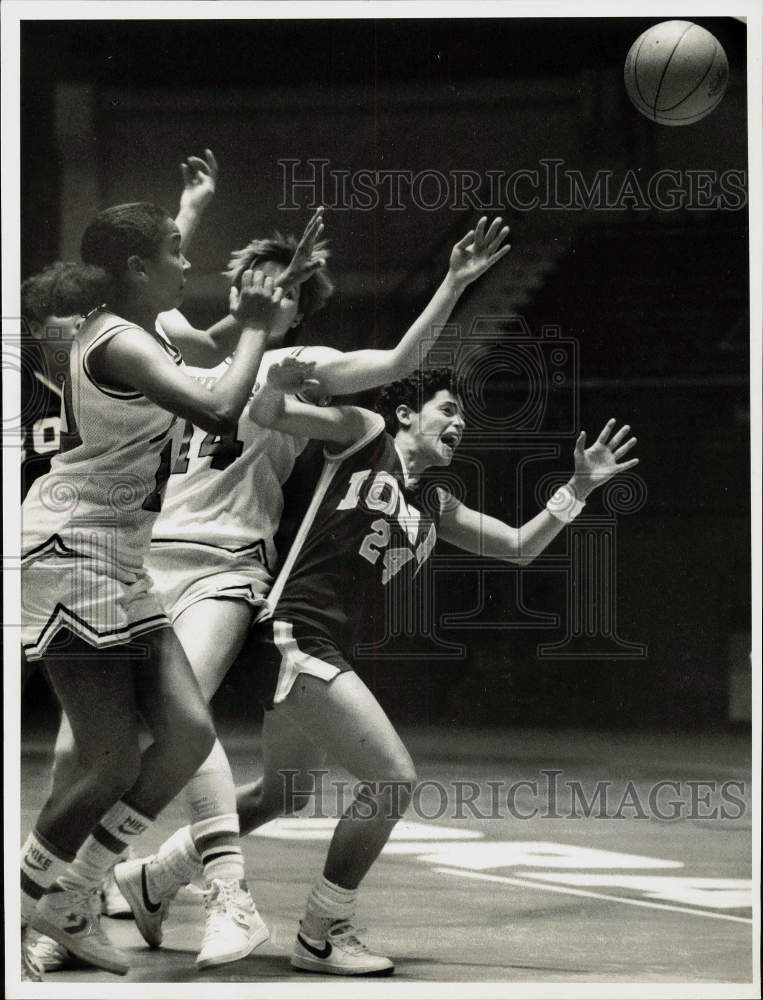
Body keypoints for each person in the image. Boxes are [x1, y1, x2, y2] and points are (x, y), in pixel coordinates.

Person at [119, 363, 639, 976]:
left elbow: (520, 546)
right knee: (393, 779)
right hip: (294, 634)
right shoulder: (364, 435)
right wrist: (281, 384)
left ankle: (154, 878)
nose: (460, 424)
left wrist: (577, 488)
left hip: (319, 648)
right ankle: (322, 930)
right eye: (448, 411)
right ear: (405, 416)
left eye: (464, 418)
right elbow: (267, 414)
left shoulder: (436, 500)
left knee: (284, 791)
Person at [19, 197, 293, 981]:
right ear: (137, 269)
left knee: (186, 735)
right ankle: (24, 903)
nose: (188, 261)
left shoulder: (138, 329)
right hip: (73, 551)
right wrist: (253, 324)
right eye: (176, 250)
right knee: (105, 763)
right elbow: (217, 403)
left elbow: (201, 347)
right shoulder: (120, 343)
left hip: (119, 560)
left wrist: (250, 308)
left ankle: (71, 903)